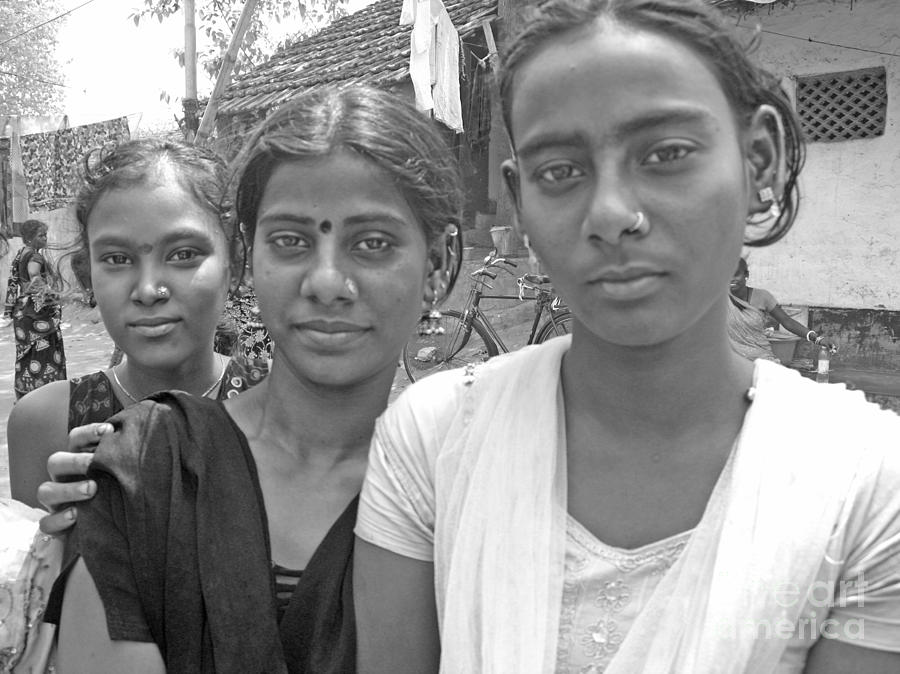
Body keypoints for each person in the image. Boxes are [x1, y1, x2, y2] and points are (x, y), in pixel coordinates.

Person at [352, 2, 900, 673]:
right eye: (560, 171)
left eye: (667, 153)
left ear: (760, 160)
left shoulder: (865, 485)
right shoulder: (433, 445)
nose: (611, 214)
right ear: (521, 201)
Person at [46, 85, 462, 673]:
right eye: (290, 241)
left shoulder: (469, 484)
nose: (325, 281)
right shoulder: (148, 466)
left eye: (372, 243)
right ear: (248, 258)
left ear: (437, 267)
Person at [7, 139, 265, 511]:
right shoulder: (46, 423)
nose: (147, 290)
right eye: (116, 258)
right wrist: (62, 544)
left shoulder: (283, 406)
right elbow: (36, 565)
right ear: (88, 273)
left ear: (233, 264)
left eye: (183, 255)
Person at [728, 256, 834, 362]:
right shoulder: (718, 299)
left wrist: (817, 339)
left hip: (761, 357)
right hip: (729, 360)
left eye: (736, 274)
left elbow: (787, 321)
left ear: (746, 275)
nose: (731, 278)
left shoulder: (763, 297)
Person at [11, 218, 67, 399]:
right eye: (41, 235)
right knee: (45, 353)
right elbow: (34, 274)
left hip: (22, 310)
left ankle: (26, 393)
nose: (45, 238)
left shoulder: (21, 254)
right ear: (29, 238)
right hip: (37, 313)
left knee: (28, 354)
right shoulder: (35, 257)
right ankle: (45, 396)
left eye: (45, 234)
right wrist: (52, 294)